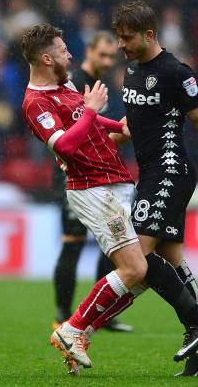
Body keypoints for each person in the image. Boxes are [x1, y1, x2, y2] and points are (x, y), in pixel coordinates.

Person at [20, 23, 198, 376]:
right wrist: (93, 111)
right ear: (47, 58)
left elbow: (91, 126)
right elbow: (65, 144)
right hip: (91, 190)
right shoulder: (35, 102)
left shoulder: (64, 85)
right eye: (64, 50)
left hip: (115, 182)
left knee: (146, 266)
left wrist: (117, 126)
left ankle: (195, 329)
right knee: (135, 267)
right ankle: (75, 327)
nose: (70, 54)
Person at [112, 1, 198, 376]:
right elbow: (132, 124)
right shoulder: (132, 72)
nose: (122, 45)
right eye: (119, 38)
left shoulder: (175, 72)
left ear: (149, 35)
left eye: (128, 38)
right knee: (169, 258)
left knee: (136, 257)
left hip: (170, 172)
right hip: (150, 173)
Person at [52, 30, 132, 333]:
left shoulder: (107, 84)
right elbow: (71, 139)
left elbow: (99, 137)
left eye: (112, 56)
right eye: (103, 54)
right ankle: (62, 314)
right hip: (73, 174)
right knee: (72, 244)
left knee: (112, 245)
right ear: (89, 51)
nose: (108, 61)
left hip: (100, 173)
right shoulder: (73, 82)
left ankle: (104, 313)